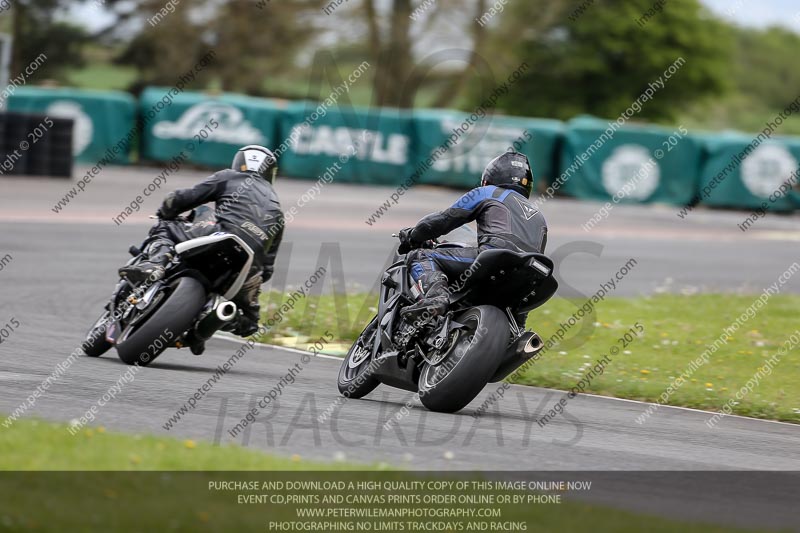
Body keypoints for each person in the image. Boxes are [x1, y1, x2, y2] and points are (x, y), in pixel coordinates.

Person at [119, 145, 284, 349]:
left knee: (167, 226)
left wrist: (167, 212)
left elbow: (182, 198)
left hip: (222, 236)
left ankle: (154, 264)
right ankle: (204, 329)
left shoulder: (229, 177)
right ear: (270, 172)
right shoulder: (277, 208)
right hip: (249, 265)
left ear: (239, 162)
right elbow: (267, 268)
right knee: (249, 324)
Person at [398, 150, 547, 327]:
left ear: (489, 179)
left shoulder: (488, 192)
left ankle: (436, 298)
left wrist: (413, 235)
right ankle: (515, 334)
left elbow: (443, 220)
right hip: (530, 275)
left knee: (421, 256)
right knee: (516, 319)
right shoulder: (540, 218)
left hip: (494, 257)